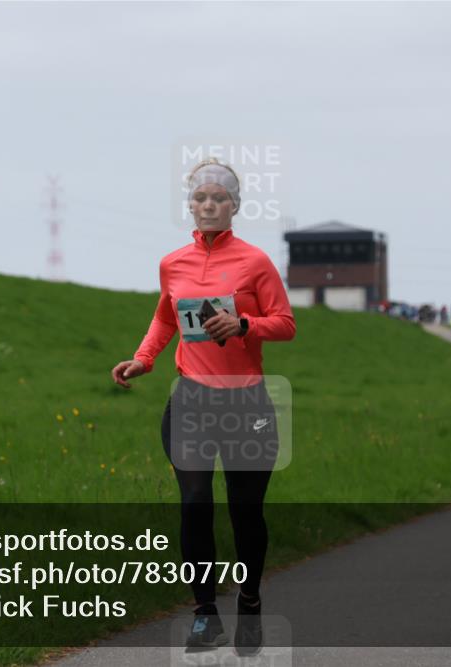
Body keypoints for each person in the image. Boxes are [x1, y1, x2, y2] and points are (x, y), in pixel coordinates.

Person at [110, 158, 296, 655]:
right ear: (189, 206)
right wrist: (144, 358)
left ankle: (251, 604)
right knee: (194, 505)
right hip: (191, 397)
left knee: (244, 512)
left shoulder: (255, 262)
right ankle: (205, 614)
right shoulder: (173, 263)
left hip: (246, 401)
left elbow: (285, 322)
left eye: (219, 198)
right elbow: (164, 319)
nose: (208, 205)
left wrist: (245, 327)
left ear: (234, 206)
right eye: (199, 198)